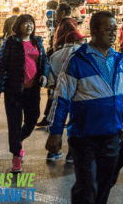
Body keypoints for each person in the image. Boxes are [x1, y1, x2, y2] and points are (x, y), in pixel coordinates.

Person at [45, 11, 123, 204]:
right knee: (87, 187)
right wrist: (55, 131)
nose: (113, 33)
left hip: (112, 135)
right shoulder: (77, 60)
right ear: (94, 31)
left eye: (114, 29)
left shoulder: (118, 61)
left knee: (106, 183)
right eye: (108, 29)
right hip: (84, 138)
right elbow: (61, 98)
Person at [0, 14, 49, 173]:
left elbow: (44, 61)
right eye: (25, 23)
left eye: (31, 23)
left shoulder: (37, 41)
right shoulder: (11, 42)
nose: (29, 26)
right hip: (14, 90)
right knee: (14, 123)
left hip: (33, 90)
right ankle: (16, 156)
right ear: (18, 25)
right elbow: (1, 65)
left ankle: (18, 140)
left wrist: (44, 75)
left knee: (32, 119)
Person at [45, 29, 86, 163]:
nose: (83, 42)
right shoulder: (80, 53)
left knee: (57, 120)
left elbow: (50, 73)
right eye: (81, 40)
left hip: (58, 90)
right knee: (74, 122)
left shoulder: (55, 55)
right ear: (75, 41)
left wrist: (52, 89)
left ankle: (52, 152)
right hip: (76, 91)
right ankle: (71, 154)